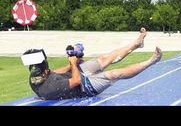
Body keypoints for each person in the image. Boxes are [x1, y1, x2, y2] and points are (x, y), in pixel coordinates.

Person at [23, 27, 162, 100]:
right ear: (45, 71)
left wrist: (74, 60)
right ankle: (152, 61)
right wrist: (72, 62)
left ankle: (137, 44)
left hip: (73, 75)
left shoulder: (35, 76)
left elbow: (56, 72)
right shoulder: (50, 88)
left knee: (103, 59)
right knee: (114, 73)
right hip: (84, 88)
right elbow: (77, 81)